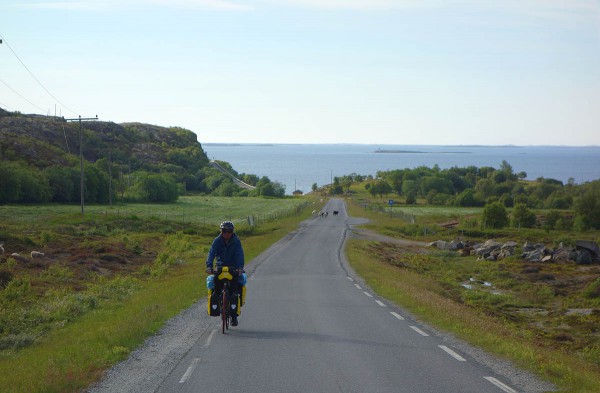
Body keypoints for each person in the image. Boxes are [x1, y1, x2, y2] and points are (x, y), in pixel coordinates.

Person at [206, 221, 245, 326]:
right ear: (221, 231)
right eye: (224, 231)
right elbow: (211, 253)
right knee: (216, 289)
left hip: (233, 268)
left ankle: (234, 316)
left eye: (229, 231)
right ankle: (217, 305)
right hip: (220, 267)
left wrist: (240, 267)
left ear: (232, 232)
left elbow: (239, 254)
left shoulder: (236, 241)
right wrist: (209, 266)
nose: (227, 233)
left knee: (234, 292)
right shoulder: (217, 241)